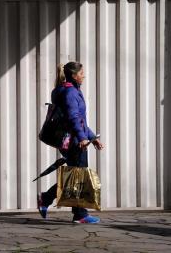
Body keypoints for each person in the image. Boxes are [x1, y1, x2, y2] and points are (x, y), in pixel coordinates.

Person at [37, 62, 105, 224]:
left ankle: (73, 210)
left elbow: (79, 121)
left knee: (75, 176)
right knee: (78, 176)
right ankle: (76, 212)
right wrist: (83, 138)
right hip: (74, 141)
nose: (84, 76)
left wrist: (92, 137)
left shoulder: (64, 90)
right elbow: (74, 118)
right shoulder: (70, 93)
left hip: (73, 139)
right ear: (74, 76)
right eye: (82, 73)